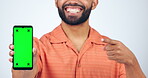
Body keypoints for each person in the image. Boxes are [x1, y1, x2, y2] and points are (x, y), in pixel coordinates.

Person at [9, 0, 146, 78]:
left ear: (94, 3)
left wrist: (132, 63)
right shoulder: (37, 47)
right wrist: (24, 72)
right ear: (56, 2)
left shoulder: (115, 52)